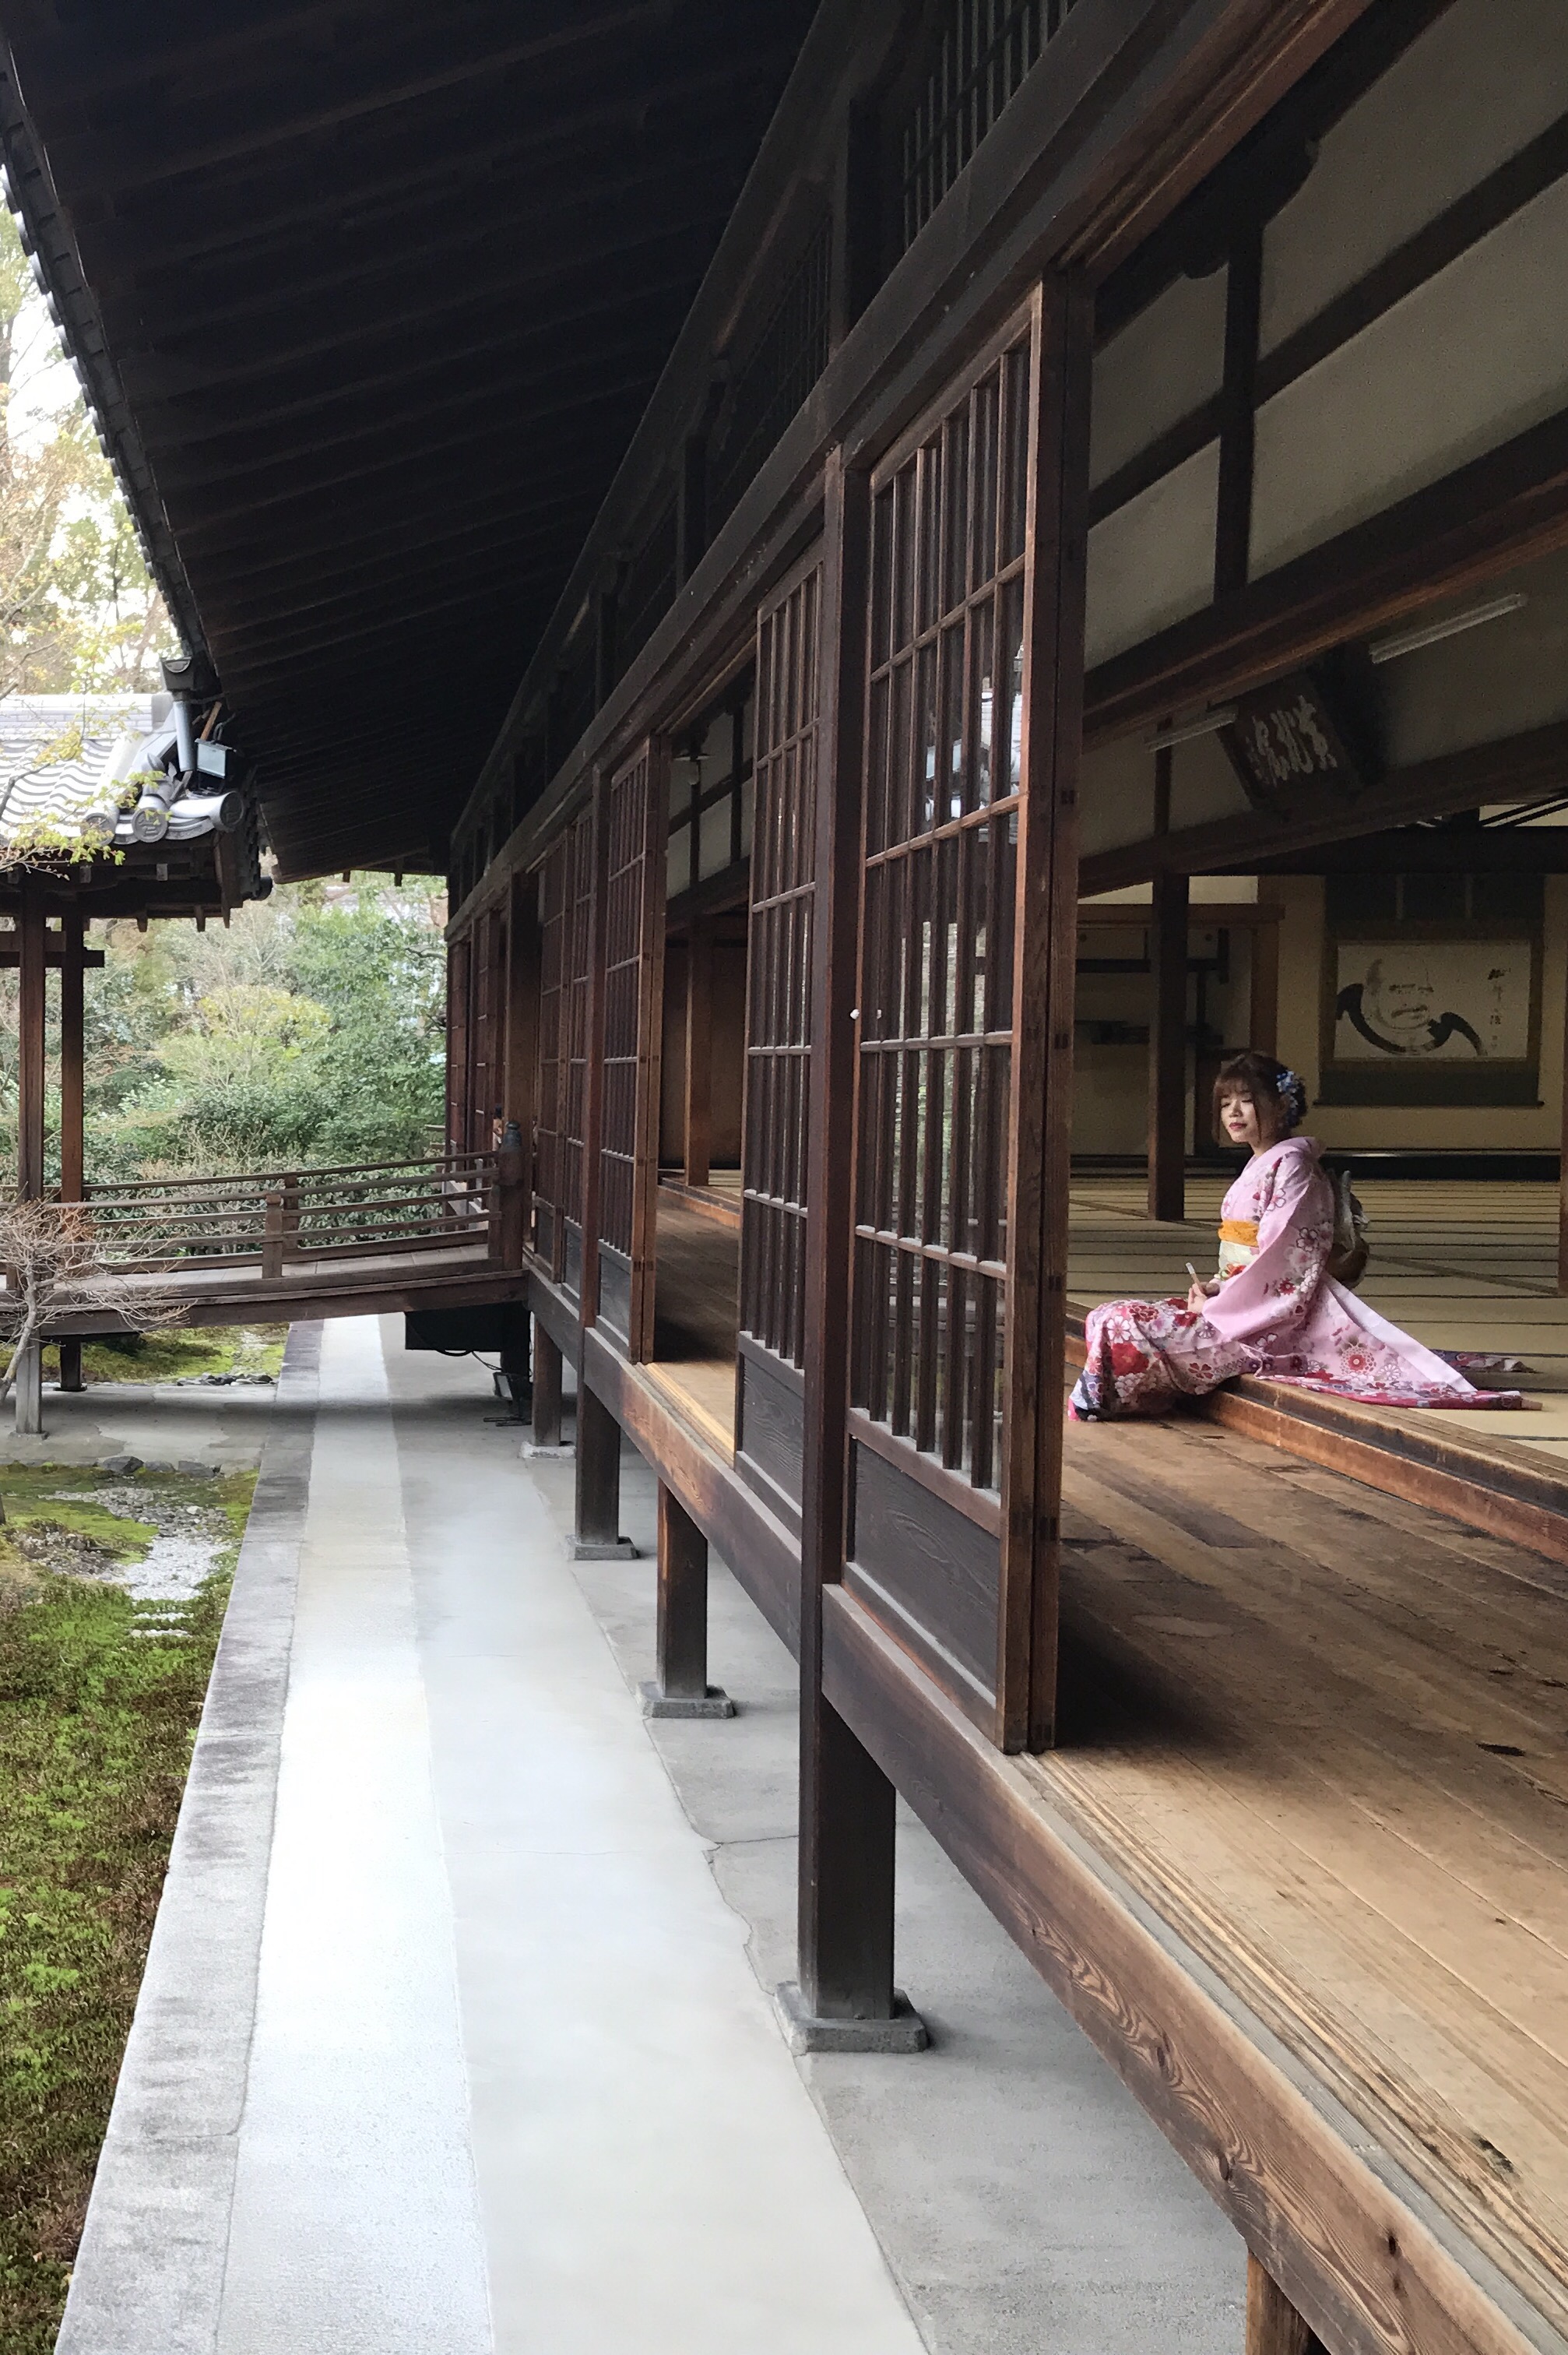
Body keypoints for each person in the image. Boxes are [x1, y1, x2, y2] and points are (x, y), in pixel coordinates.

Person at [1068, 1049, 1524, 1420]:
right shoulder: (1263, 1163)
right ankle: (1117, 1400)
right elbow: (1247, 1259)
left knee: (1121, 1321)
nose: (1233, 1112)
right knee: (1106, 1316)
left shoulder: (1294, 1168)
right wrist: (1214, 1288)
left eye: (1246, 1100)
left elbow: (1286, 1262)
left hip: (1266, 1328)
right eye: (1225, 1103)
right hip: (1237, 1306)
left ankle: (1108, 1403)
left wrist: (1222, 1304)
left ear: (1282, 1105)